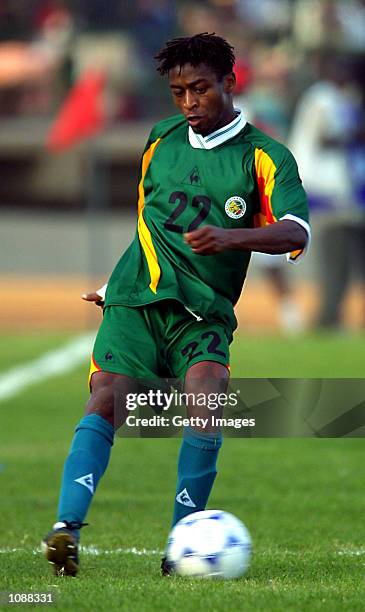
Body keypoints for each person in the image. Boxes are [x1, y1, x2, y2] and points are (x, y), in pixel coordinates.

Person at [42, 33, 310, 577]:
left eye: (201, 89)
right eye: (178, 91)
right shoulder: (160, 139)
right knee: (105, 400)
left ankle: (178, 545)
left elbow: (296, 230)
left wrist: (230, 238)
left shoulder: (265, 156)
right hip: (136, 300)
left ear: (229, 84)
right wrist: (115, 283)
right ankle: (65, 529)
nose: (189, 102)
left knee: (207, 399)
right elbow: (148, 224)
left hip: (203, 313)